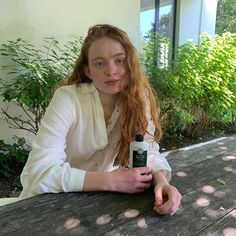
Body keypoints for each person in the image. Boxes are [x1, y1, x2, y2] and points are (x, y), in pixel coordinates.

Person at [19, 24, 182, 215]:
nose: (111, 71)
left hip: (96, 207)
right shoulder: (68, 99)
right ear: (88, 70)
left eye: (119, 60)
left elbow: (148, 150)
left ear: (130, 64)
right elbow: (39, 173)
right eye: (99, 63)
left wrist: (162, 182)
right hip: (45, 206)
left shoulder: (139, 97)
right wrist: (111, 180)